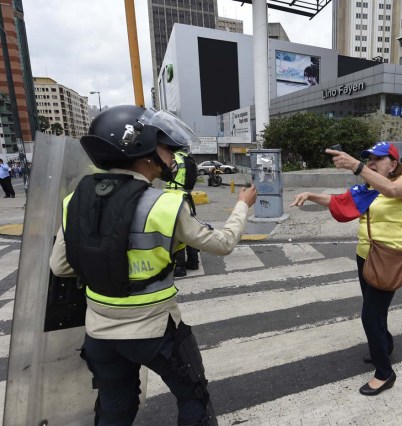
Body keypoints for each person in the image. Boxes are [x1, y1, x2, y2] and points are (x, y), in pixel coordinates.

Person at [49, 105, 257, 426]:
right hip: (156, 331)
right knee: (192, 397)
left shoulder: (74, 201)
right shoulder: (165, 203)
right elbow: (223, 243)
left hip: (100, 333)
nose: (173, 156)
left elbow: (61, 266)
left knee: (115, 405)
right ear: (142, 149)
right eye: (167, 147)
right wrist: (242, 205)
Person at [290, 142, 402, 397]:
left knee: (370, 315)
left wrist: (356, 166)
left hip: (389, 258)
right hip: (365, 256)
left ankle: (384, 372)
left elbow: (391, 190)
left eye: (377, 159)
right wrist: (311, 195)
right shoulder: (369, 188)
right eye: (368, 159)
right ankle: (386, 344)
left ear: (392, 163)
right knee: (376, 311)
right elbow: (340, 201)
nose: (371, 163)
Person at [166, 149, 200, 277]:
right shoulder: (189, 159)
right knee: (189, 228)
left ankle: (179, 267)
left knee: (176, 232)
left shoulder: (174, 159)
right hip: (186, 196)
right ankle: (193, 261)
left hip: (172, 196)